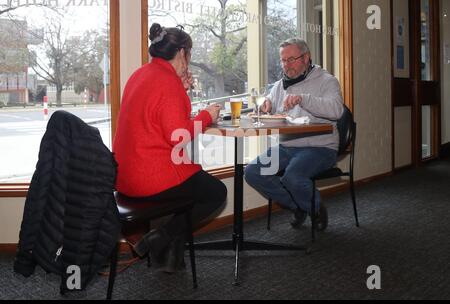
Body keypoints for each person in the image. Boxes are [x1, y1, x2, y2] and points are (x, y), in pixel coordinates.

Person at [113, 23, 227, 273]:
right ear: (183, 53)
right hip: (150, 177)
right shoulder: (167, 82)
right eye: (190, 54)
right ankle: (159, 238)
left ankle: (172, 255)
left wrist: (182, 89)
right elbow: (179, 136)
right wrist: (207, 115)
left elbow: (161, 120)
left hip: (123, 177)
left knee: (193, 188)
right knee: (216, 193)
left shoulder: (140, 74)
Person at [245, 38, 344, 229]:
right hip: (288, 146)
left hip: (320, 147)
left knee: (292, 177)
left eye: (291, 59)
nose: (286, 65)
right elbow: (271, 106)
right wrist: (267, 104)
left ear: (306, 58)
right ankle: (298, 206)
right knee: (253, 172)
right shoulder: (280, 85)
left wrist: (303, 99)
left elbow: (336, 111)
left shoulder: (327, 81)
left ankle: (315, 208)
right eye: (283, 60)